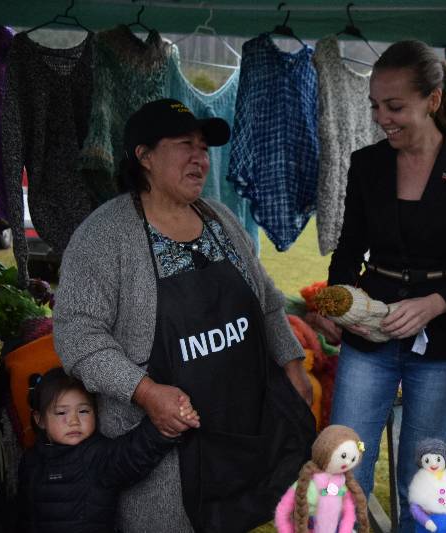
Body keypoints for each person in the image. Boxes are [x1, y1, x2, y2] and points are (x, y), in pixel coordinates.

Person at [53, 99, 316, 533]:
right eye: (184, 145)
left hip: (242, 426)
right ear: (145, 156)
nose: (200, 158)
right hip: (167, 448)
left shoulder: (221, 219)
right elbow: (78, 335)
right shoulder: (104, 235)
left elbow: (266, 299)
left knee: (246, 513)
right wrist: (146, 391)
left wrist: (292, 363)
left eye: (204, 148)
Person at [327, 40, 446, 528]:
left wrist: (435, 303)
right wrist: (339, 302)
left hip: (442, 345)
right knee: (344, 463)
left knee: (422, 474)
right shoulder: (367, 164)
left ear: (433, 100)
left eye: (395, 106)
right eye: (376, 106)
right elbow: (347, 251)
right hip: (368, 336)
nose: (383, 117)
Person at [17, 367, 186, 533]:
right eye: (61, 413)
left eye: (83, 411)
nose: (74, 421)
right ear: (40, 419)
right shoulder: (30, 460)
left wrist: (163, 425)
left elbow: (132, 453)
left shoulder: (97, 455)